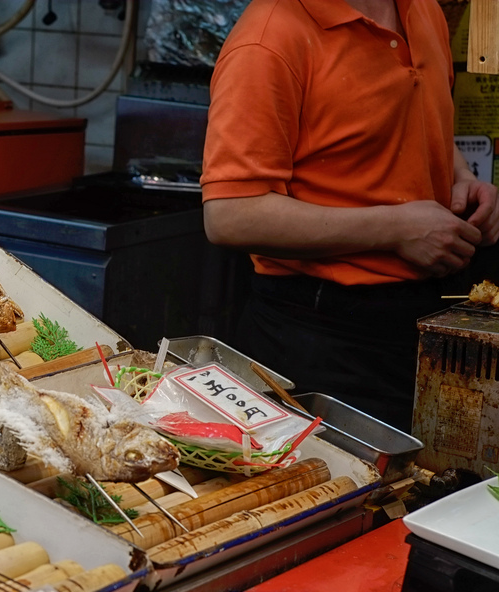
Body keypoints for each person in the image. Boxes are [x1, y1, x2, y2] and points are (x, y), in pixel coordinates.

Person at [201, 0, 499, 431]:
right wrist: (395, 229)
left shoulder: (422, 9)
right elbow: (230, 214)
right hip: (324, 338)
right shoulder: (269, 38)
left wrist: (461, 180)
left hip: (424, 323)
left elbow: (414, 116)